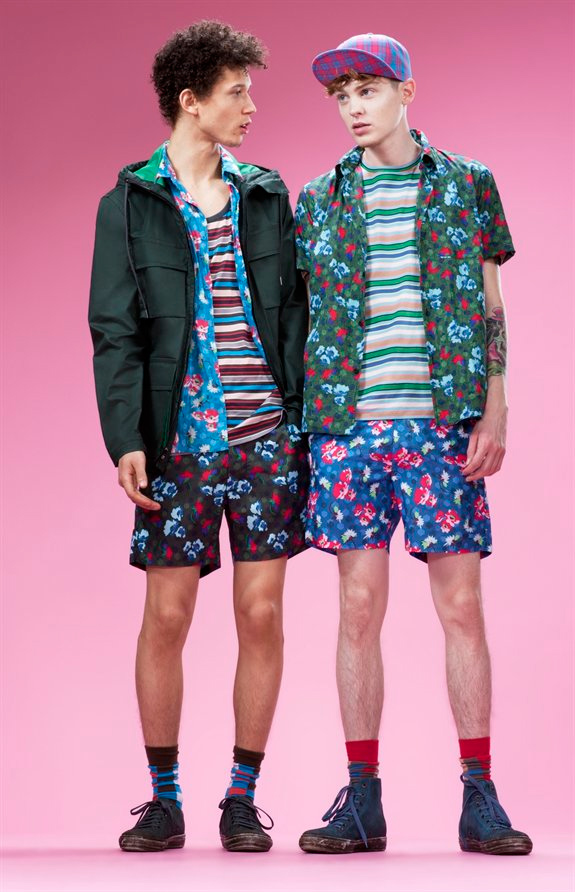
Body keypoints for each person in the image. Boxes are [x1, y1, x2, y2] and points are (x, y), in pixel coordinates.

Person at [294, 33, 532, 856]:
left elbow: (492, 306)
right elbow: (302, 314)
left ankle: (480, 795)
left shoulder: (467, 184)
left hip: (441, 423)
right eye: (341, 96)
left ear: (406, 91)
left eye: (367, 89)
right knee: (357, 609)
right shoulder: (316, 199)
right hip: (347, 427)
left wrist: (495, 406)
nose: (352, 107)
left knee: (460, 607)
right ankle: (362, 801)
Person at [88, 20, 308, 854]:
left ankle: (242, 799)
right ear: (191, 100)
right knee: (168, 615)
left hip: (264, 438)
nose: (250, 107)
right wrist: (124, 438)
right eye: (236, 92)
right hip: (177, 441)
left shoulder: (266, 195)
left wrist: (302, 421)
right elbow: (115, 331)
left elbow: (295, 312)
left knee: (262, 612)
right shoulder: (128, 203)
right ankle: (164, 799)